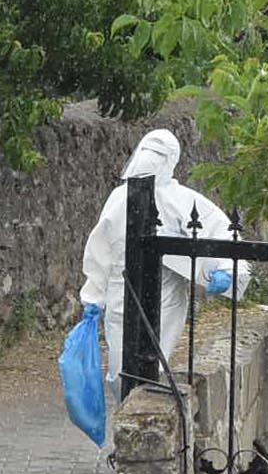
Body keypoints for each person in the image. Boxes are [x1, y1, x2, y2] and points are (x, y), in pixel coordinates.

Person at [78, 129, 245, 386]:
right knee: (119, 371)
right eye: (147, 152)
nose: (149, 160)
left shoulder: (182, 200)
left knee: (151, 363)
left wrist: (226, 269)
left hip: (165, 293)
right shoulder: (119, 198)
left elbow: (219, 230)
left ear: (171, 159)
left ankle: (142, 407)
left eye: (157, 154)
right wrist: (93, 297)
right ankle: (129, 411)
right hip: (121, 292)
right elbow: (100, 249)